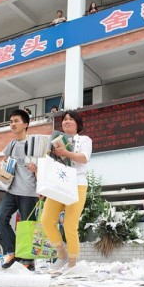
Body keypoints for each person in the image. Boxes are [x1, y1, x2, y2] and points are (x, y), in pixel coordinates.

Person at [40, 111, 92, 271]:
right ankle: (61, 254)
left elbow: (84, 158)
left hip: (77, 184)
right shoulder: (54, 140)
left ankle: (72, 262)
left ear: (78, 124)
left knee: (70, 225)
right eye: (64, 119)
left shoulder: (84, 140)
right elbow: (48, 163)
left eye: (71, 119)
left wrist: (66, 153)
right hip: (57, 184)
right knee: (46, 221)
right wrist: (41, 182)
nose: (67, 121)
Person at [0, 109, 39, 270]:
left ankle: (27, 261)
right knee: (0, 219)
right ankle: (13, 252)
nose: (12, 124)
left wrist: (36, 170)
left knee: (27, 227)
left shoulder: (33, 144)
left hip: (28, 192)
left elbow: (43, 169)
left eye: (16, 121)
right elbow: (3, 161)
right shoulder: (12, 144)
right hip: (11, 191)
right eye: (11, 121)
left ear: (25, 124)